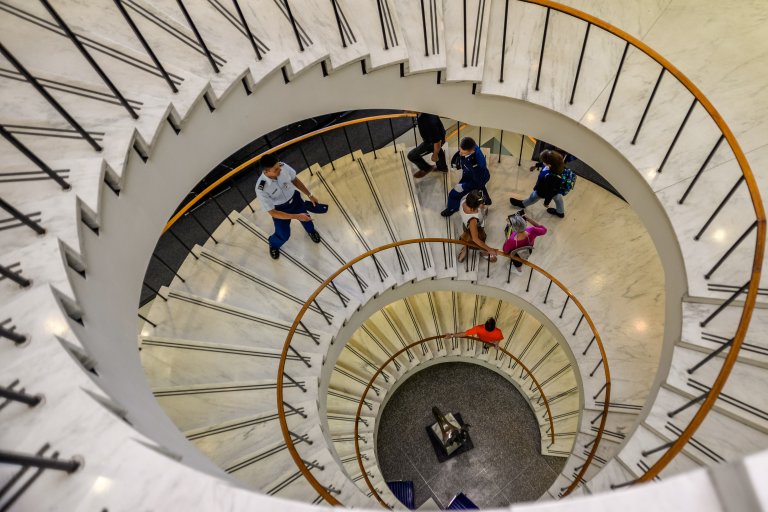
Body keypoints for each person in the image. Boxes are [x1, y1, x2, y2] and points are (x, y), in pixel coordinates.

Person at [255, 154, 322, 260]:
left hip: (295, 200)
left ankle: (311, 232)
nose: (280, 170)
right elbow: (272, 212)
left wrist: (310, 195)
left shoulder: (283, 167)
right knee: (283, 234)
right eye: (276, 169)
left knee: (308, 220)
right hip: (280, 209)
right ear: (266, 172)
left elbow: (295, 180)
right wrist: (297, 216)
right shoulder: (261, 188)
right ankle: (274, 245)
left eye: (279, 166)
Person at [441, 137, 491, 217]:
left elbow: (477, 182)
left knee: (453, 194)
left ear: (472, 151)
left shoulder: (477, 165)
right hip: (475, 175)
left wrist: (463, 186)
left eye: (463, 153)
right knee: (481, 188)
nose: (460, 154)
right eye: (460, 150)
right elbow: (462, 154)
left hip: (477, 179)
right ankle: (487, 200)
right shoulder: (471, 144)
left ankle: (451, 208)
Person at [510, 149, 566, 218]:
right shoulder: (556, 166)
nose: (542, 162)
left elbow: (550, 192)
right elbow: (542, 164)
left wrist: (546, 203)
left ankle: (522, 204)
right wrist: (536, 166)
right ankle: (560, 213)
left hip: (542, 191)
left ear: (549, 164)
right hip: (556, 189)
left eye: (544, 161)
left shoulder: (551, 177)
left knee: (533, 197)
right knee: (558, 198)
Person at [456, 190, 500, 263]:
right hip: (474, 228)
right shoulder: (473, 219)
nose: (482, 204)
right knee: (477, 240)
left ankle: (465, 249)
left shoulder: (466, 198)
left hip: (465, 224)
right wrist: (489, 249)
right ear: (473, 208)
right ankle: (482, 251)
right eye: (480, 203)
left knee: (468, 240)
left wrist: (480, 205)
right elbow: (475, 239)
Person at [409, 113, 448, 178]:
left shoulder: (429, 121)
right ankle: (442, 168)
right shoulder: (428, 111)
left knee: (411, 156)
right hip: (439, 136)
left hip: (430, 142)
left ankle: (427, 168)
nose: (405, 112)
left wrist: (434, 155)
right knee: (438, 150)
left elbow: (437, 142)